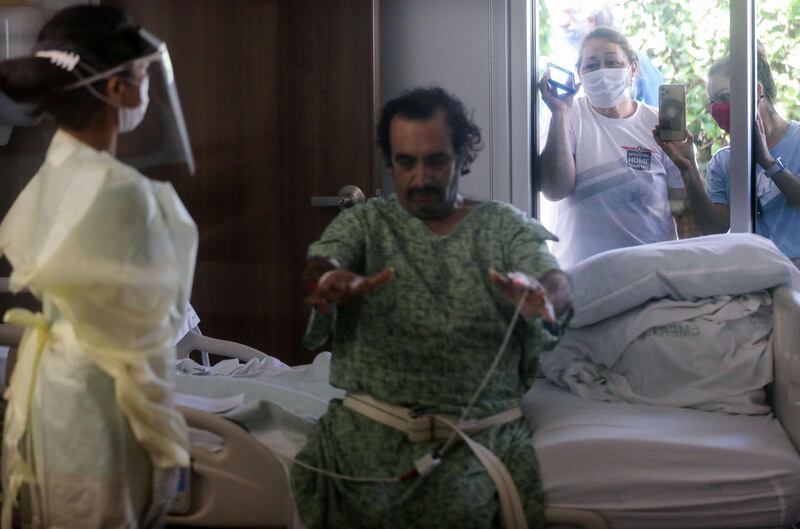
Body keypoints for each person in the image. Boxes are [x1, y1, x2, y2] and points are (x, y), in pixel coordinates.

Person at [291, 87, 573, 529]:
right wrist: (327, 280)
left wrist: (539, 295)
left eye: (436, 161)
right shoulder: (367, 224)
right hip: (363, 440)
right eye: (406, 162)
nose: (420, 178)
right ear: (390, 164)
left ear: (463, 158)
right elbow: (326, 261)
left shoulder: (502, 226)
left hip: (475, 442)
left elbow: (553, 280)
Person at [0, 5, 197, 527]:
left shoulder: (52, 174)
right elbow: (150, 345)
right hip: (106, 411)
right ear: (118, 90)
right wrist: (166, 449)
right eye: (143, 75)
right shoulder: (126, 194)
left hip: (52, 399)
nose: (148, 89)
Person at [538, 26, 684, 268]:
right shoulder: (568, 116)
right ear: (579, 74)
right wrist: (560, 113)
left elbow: (683, 210)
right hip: (581, 277)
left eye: (612, 62)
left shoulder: (658, 124)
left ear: (633, 69)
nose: (602, 72)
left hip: (650, 277)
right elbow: (555, 189)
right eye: (592, 65)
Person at [654, 48, 800, 269]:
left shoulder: (797, 139)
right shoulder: (723, 162)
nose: (717, 109)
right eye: (713, 102)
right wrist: (688, 167)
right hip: (757, 282)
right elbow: (714, 229)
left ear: (756, 91)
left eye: (724, 97)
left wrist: (767, 162)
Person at [549, 0, 664, 106]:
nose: (564, 33)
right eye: (591, 65)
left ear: (591, 20)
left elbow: (655, 114)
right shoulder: (569, 63)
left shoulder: (635, 61)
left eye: (568, 26)